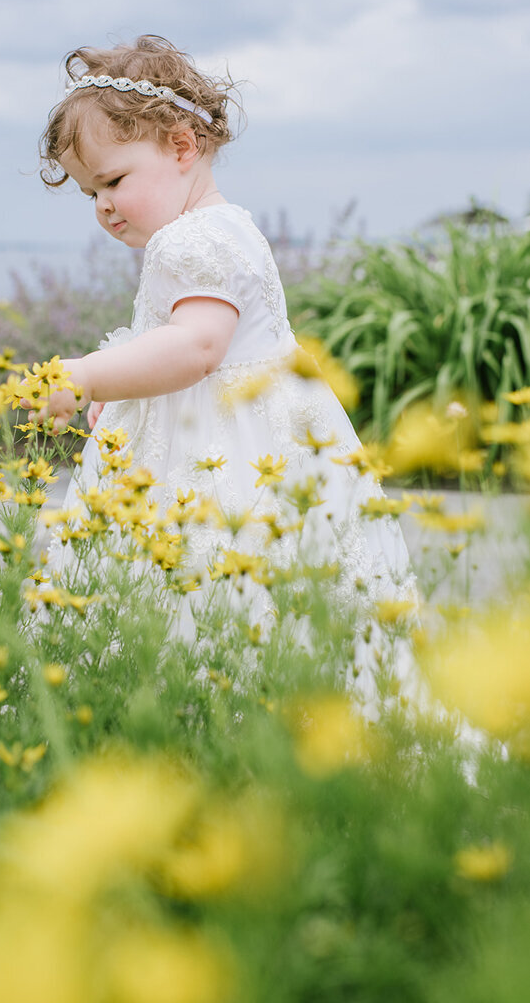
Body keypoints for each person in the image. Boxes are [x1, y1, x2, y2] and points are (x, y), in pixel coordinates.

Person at [27, 35, 416, 653]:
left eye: (113, 181)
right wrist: (128, 391)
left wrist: (88, 375)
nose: (102, 206)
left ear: (182, 145)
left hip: (225, 454)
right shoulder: (220, 226)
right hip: (245, 436)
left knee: (207, 584)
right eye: (89, 194)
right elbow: (178, 348)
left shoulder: (194, 242)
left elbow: (197, 350)